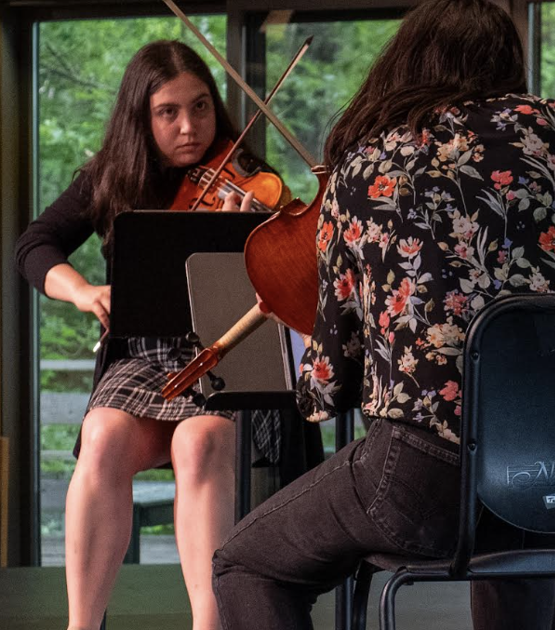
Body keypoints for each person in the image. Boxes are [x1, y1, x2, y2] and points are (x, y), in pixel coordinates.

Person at [208, 1, 555, 629]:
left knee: (247, 562)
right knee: (521, 537)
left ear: (406, 62)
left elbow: (324, 388)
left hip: (426, 483)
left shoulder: (361, 167)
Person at [14, 40, 276, 630]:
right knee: (101, 435)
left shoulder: (250, 180)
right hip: (144, 360)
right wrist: (83, 291)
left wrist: (255, 242)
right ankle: (82, 624)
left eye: (202, 107)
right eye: (169, 112)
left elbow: (292, 284)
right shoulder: (111, 178)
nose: (190, 127)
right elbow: (34, 245)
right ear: (142, 116)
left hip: (228, 355)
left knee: (199, 442)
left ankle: (209, 624)